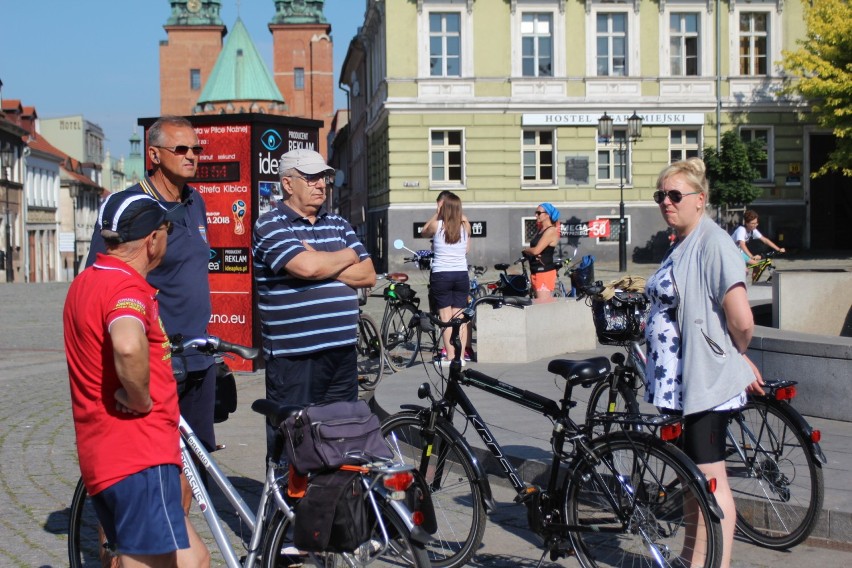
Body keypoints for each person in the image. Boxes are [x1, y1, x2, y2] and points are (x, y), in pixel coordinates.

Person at [64, 191, 209, 567]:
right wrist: (141, 398)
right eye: (166, 231)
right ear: (152, 240)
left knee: (194, 560)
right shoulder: (126, 288)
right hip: (138, 456)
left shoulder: (85, 282)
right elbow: (128, 345)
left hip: (105, 454)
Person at [645, 157, 764, 568]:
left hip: (703, 382)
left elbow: (742, 320)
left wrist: (737, 357)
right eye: (661, 195)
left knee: (711, 483)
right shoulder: (683, 240)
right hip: (677, 385)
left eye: (675, 195)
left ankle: (717, 563)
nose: (666, 202)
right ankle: (691, 558)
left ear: (700, 199)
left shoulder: (714, 242)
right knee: (690, 479)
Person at [86, 116, 217, 458]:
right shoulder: (130, 209)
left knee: (197, 457)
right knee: (158, 457)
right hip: (157, 359)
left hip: (199, 355)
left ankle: (183, 515)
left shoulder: (196, 201)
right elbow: (101, 276)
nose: (192, 155)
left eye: (196, 149)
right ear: (155, 155)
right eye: (181, 149)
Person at [253, 149, 376, 463]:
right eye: (310, 177)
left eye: (323, 176)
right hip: (296, 357)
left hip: (342, 352)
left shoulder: (337, 222)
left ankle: (333, 506)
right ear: (288, 184)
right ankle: (285, 509)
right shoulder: (270, 224)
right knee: (293, 440)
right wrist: (346, 257)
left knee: (343, 436)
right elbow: (306, 268)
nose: (321, 184)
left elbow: (368, 274)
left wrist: (329, 262)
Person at [421, 191, 471, 367]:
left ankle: (450, 356)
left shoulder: (437, 226)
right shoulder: (465, 226)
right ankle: (461, 356)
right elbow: (466, 250)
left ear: (444, 208)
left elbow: (423, 232)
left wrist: (437, 212)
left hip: (442, 275)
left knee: (445, 317)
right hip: (461, 274)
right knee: (460, 316)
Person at [522, 202, 561, 301]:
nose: (536, 215)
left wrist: (526, 250)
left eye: (538, 213)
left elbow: (536, 251)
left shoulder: (551, 231)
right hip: (535, 271)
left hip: (544, 272)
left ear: (547, 214)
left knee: (543, 306)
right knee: (538, 305)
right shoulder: (540, 230)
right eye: (536, 212)